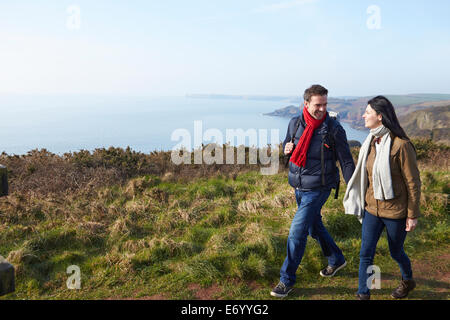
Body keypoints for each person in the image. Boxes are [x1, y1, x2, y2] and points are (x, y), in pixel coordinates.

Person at [270, 84, 355, 298]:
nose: (322, 109)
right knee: (313, 228)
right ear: (306, 104)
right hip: (299, 186)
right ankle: (336, 259)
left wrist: (354, 188)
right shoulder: (295, 122)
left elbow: (346, 161)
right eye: (318, 105)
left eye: (325, 104)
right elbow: (287, 145)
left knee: (296, 232)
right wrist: (286, 149)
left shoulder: (334, 128)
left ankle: (286, 280)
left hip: (320, 188)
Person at [343, 96, 421, 300]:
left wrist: (412, 215)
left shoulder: (401, 146)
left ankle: (408, 280)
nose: (363, 115)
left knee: (396, 252)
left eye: (367, 112)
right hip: (371, 209)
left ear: (380, 116)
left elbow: (413, 183)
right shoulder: (370, 141)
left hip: (395, 212)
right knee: (365, 253)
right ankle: (363, 293)